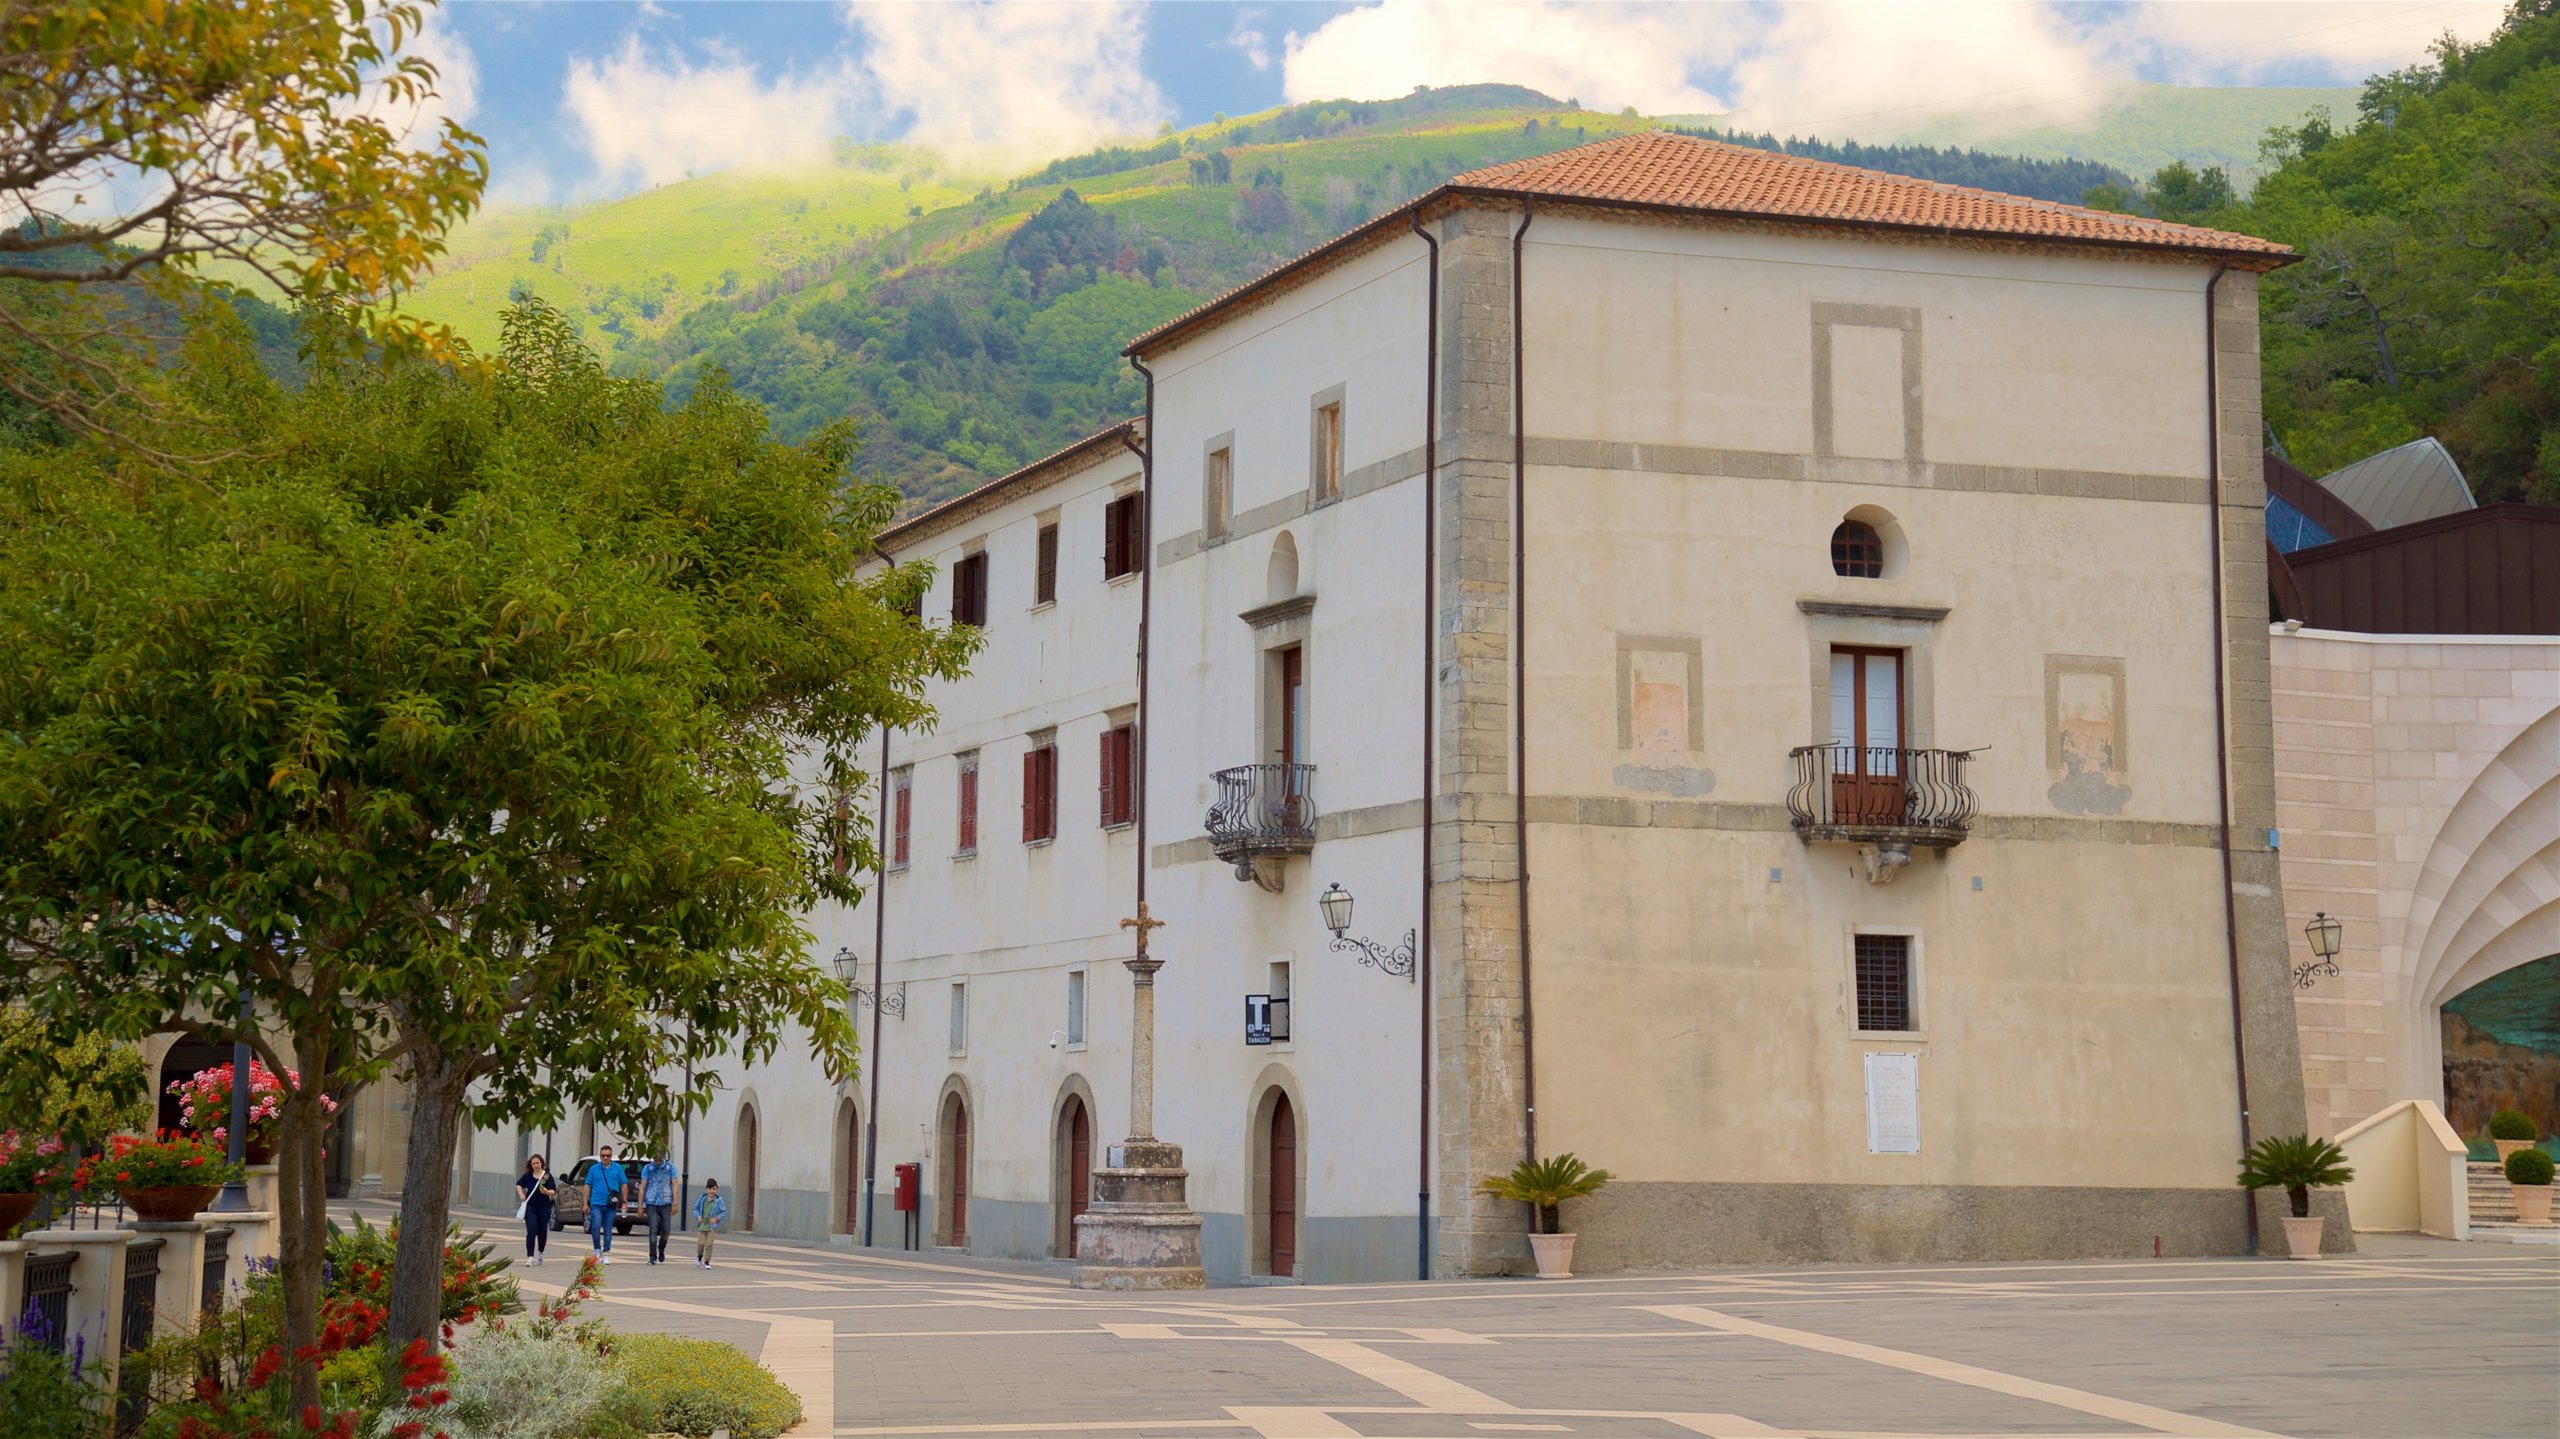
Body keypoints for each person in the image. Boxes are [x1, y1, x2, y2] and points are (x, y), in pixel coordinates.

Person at [585, 1144, 629, 1264]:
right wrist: (585, 1203)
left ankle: (606, 1253)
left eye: (608, 1156)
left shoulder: (617, 1168)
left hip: (611, 1204)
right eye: (603, 1155)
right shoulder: (594, 1169)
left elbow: (624, 1184)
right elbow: (587, 1185)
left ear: (611, 1156)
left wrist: (624, 1201)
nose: (605, 1158)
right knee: (595, 1226)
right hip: (596, 1203)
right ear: (600, 1156)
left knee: (608, 1229)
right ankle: (597, 1251)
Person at [517, 1155, 559, 1265]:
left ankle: (541, 1252)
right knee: (531, 1231)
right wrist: (521, 1195)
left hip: (544, 1208)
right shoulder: (528, 1176)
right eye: (533, 1164)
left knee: (542, 1231)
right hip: (531, 1207)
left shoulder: (547, 1176)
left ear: (541, 1163)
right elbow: (519, 1185)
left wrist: (546, 1192)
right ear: (531, 1165)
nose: (536, 1165)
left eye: (537, 1163)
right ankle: (530, 1257)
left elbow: (553, 1191)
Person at [640, 1152, 679, 1264]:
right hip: (651, 1201)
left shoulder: (670, 1167)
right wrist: (640, 1205)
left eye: (659, 1160)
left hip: (665, 1201)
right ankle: (652, 1256)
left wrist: (675, 1203)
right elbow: (643, 1187)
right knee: (653, 1229)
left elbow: (675, 1185)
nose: (657, 1162)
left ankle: (661, 1247)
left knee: (666, 1229)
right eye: (655, 1160)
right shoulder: (648, 1168)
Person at [692, 1178, 727, 1268]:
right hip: (702, 1224)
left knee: (709, 1244)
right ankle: (699, 1256)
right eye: (710, 1189)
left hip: (711, 1226)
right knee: (701, 1243)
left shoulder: (719, 1200)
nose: (712, 1191)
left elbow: (723, 1211)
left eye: (714, 1189)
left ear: (716, 1189)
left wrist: (717, 1218)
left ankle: (707, 1261)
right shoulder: (702, 1198)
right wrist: (698, 1216)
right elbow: (695, 1208)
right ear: (706, 1189)